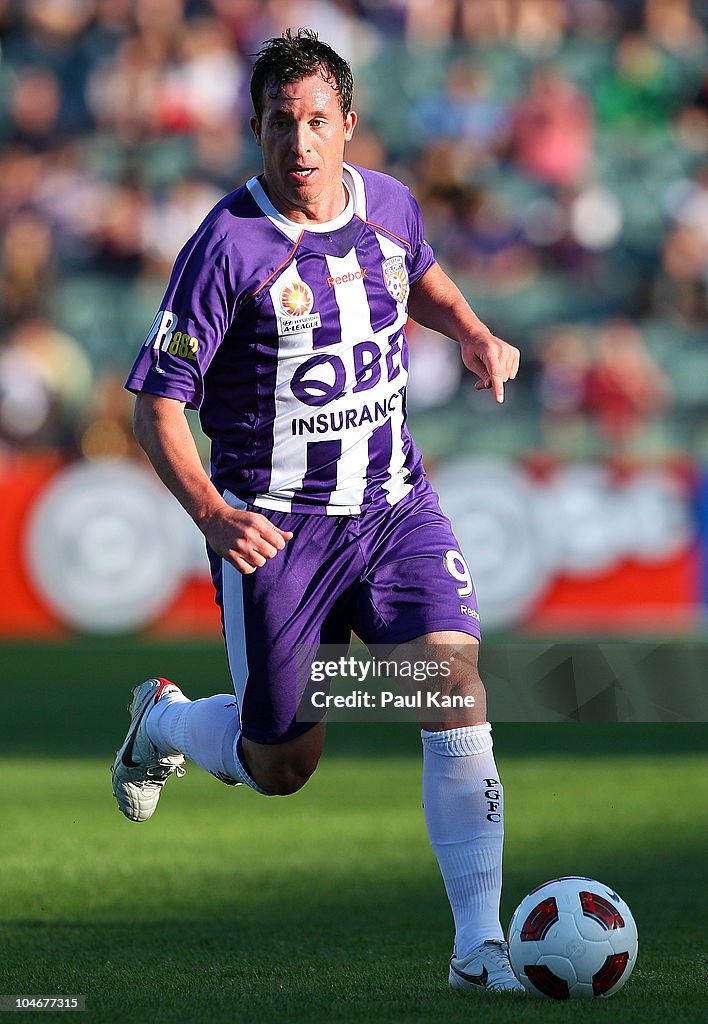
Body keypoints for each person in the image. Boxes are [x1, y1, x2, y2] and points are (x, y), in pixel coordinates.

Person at [113, 28, 522, 995]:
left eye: (316, 122)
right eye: (279, 125)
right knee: (282, 764)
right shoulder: (225, 246)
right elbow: (155, 406)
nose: (299, 143)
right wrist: (213, 516)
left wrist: (470, 329)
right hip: (276, 529)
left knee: (452, 690)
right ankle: (164, 723)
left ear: (347, 126)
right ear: (254, 131)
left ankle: (479, 949)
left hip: (393, 506)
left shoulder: (390, 203)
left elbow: (417, 271)